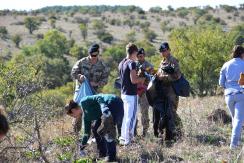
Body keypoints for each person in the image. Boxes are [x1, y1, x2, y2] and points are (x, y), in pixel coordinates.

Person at [65, 94, 124, 162]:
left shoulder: (84, 102)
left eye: (72, 116)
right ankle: (102, 154)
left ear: (73, 110)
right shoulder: (86, 118)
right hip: (105, 112)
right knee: (96, 129)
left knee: (108, 130)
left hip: (113, 102)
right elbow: (86, 133)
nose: (74, 117)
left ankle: (111, 157)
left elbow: (98, 97)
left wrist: (104, 108)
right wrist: (82, 147)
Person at [71, 43, 110, 132]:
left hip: (94, 93)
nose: (93, 57)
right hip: (81, 92)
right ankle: (75, 133)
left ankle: (92, 135)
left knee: (93, 115)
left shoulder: (102, 66)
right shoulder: (81, 62)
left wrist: (96, 84)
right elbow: (73, 73)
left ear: (98, 54)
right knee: (78, 113)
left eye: (95, 55)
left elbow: (105, 80)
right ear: (89, 53)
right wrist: (79, 76)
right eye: (92, 55)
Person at [118, 43, 145, 145]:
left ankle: (123, 138)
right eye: (136, 54)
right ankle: (128, 141)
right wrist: (142, 78)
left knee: (126, 117)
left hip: (123, 93)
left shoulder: (121, 63)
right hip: (131, 94)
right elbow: (133, 80)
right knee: (132, 118)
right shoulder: (131, 63)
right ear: (134, 52)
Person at [219, 45, 244, 149]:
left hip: (228, 95)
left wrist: (229, 88)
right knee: (238, 120)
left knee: (235, 119)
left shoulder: (226, 64)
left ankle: (237, 142)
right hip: (241, 94)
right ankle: (233, 145)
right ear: (242, 54)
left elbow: (221, 83)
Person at [156, 42, 183, 140]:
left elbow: (177, 75)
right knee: (166, 113)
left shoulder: (173, 61)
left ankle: (177, 134)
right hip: (163, 91)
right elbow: (159, 73)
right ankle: (169, 134)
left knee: (172, 112)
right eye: (161, 51)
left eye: (164, 51)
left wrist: (164, 77)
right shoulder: (162, 62)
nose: (162, 53)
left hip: (172, 91)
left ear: (168, 50)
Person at [135, 48, 154, 136]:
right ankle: (133, 131)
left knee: (144, 111)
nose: (140, 58)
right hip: (134, 92)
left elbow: (151, 78)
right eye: (139, 56)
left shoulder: (148, 65)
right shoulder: (133, 65)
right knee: (133, 112)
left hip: (144, 92)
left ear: (144, 56)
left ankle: (145, 132)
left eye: (142, 56)